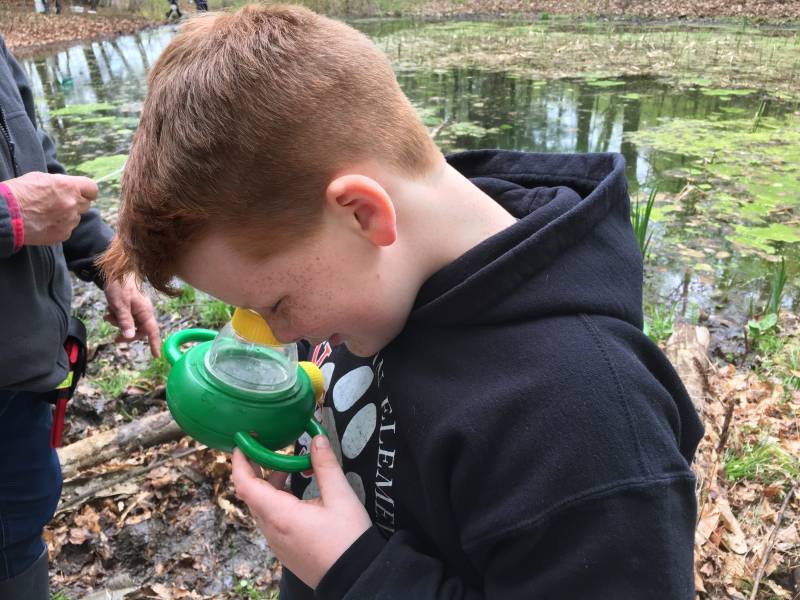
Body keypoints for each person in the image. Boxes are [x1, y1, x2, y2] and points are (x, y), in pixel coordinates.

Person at [101, 5, 704, 598]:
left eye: (276, 303)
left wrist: (358, 573)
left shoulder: (588, 425)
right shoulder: (380, 287)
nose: (281, 337)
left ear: (364, 214)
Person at [0, 35, 161, 599]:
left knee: (19, 527)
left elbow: (34, 159)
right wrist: (8, 216)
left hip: (24, 374)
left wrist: (108, 262)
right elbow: (19, 199)